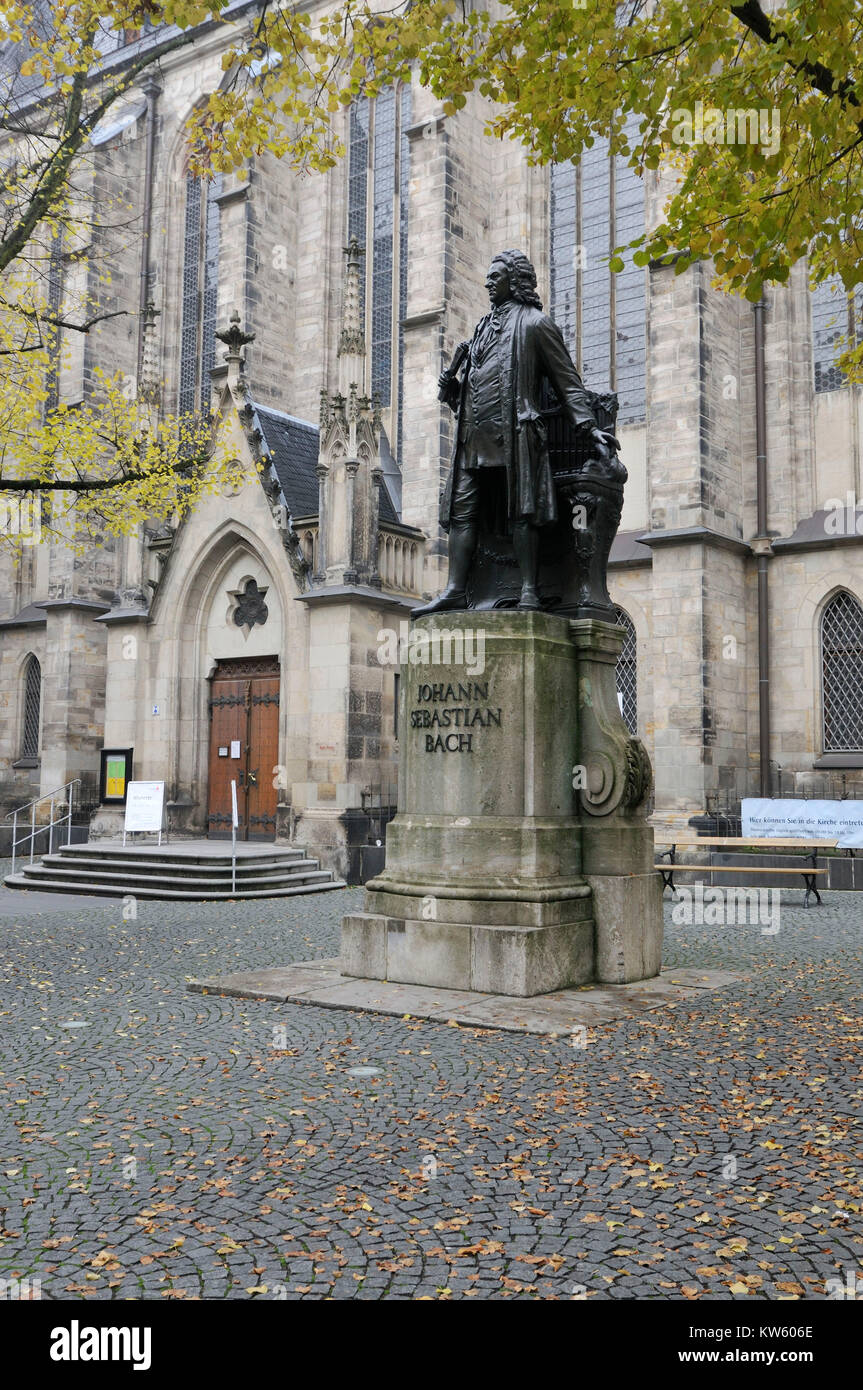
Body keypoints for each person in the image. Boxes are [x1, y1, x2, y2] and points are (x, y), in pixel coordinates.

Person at [413, 249, 619, 615]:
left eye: (496, 276)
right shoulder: (479, 328)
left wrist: (589, 429)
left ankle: (528, 591)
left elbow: (567, 382)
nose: (488, 281)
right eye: (489, 276)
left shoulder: (536, 324)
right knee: (462, 512)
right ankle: (456, 590)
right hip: (474, 438)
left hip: (516, 435)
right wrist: (453, 385)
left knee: (523, 513)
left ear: (515, 280)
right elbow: (474, 383)